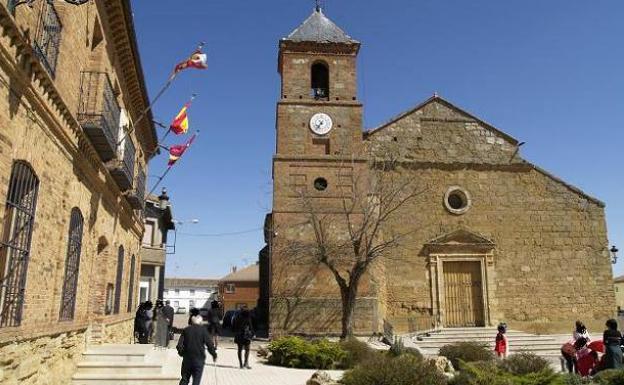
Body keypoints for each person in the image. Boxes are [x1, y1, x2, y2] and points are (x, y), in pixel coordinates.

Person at [177, 313, 217, 385]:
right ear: (201, 322)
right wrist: (214, 355)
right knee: (196, 381)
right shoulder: (203, 331)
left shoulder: (186, 330)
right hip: (199, 360)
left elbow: (179, 345)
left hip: (187, 359)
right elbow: (210, 345)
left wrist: (182, 354)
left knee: (184, 380)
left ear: (192, 322)